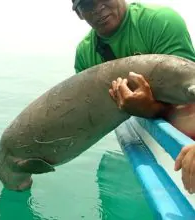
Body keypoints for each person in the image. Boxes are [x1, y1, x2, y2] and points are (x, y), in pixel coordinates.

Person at [71, 0, 195, 193]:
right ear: (79, 13)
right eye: (87, 4)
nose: (98, 8)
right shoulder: (85, 54)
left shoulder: (159, 21)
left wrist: (151, 108)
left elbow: (190, 94)